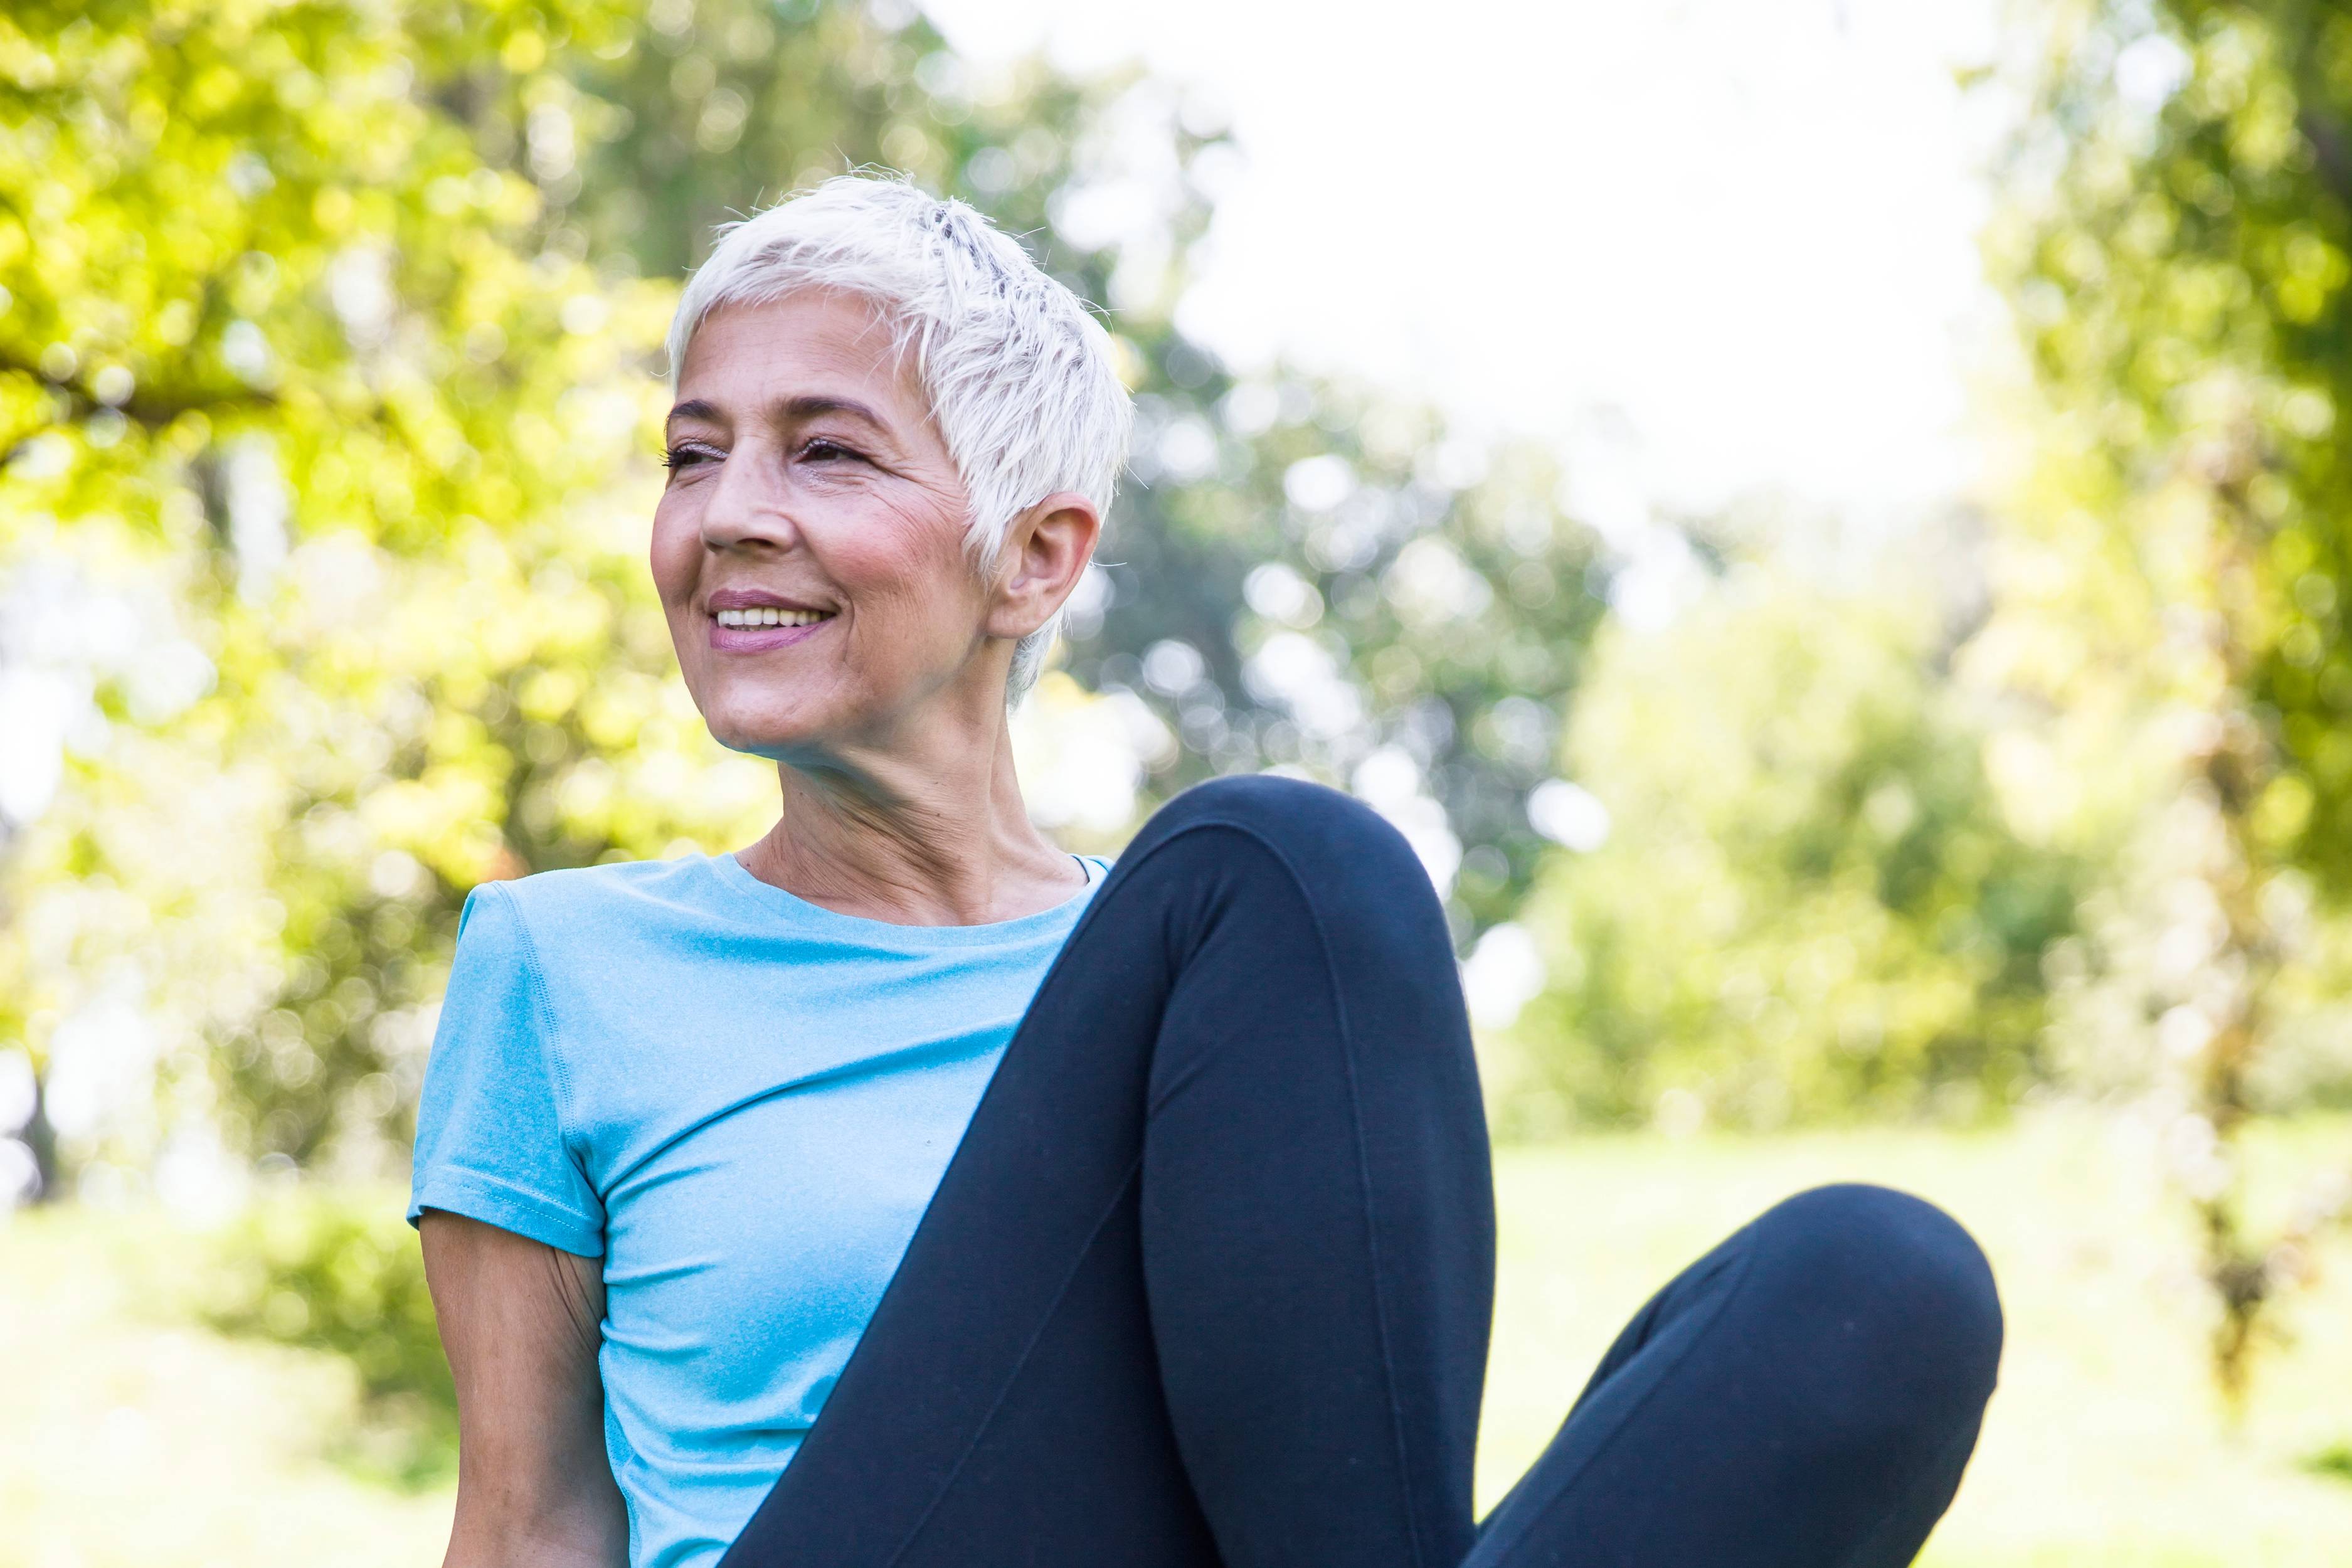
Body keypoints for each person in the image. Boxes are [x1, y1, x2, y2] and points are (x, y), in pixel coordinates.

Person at [410, 174, 2003, 1568]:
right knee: (1280, 860)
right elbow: (530, 1521)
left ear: (1036, 555)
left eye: (826, 452)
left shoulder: (1240, 1018)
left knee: (1879, 1286)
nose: (728, 516)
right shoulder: (566, 966)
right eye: (694, 455)